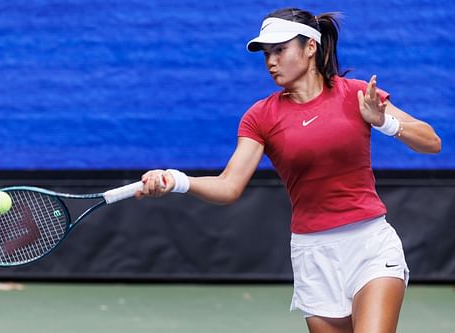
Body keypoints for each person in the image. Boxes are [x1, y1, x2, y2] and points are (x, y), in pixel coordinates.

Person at [136, 7, 442, 333]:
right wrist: (178, 180)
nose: (271, 61)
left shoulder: (355, 94)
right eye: (267, 53)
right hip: (314, 255)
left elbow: (431, 142)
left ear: (311, 47)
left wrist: (384, 122)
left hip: (371, 245)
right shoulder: (260, 116)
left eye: (280, 49)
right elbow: (229, 186)